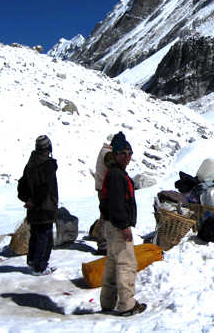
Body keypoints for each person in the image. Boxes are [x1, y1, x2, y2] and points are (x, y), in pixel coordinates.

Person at [99, 136, 146, 316]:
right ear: (115, 155)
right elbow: (117, 204)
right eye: (122, 154)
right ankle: (127, 305)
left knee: (113, 262)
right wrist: (125, 226)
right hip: (118, 226)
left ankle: (107, 301)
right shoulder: (117, 175)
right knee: (127, 263)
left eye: (129, 154)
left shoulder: (115, 172)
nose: (127, 157)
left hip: (111, 225)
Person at [17, 134, 59, 276]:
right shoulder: (47, 164)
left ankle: (32, 262)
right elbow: (46, 186)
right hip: (45, 205)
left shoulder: (30, 164)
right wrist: (35, 200)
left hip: (33, 207)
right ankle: (40, 267)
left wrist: (28, 200)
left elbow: (22, 184)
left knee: (35, 234)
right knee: (44, 236)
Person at [93, 133, 120, 255]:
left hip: (102, 187)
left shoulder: (104, 151)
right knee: (106, 216)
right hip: (105, 189)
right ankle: (103, 245)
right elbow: (114, 169)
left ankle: (106, 242)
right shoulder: (108, 154)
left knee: (106, 214)